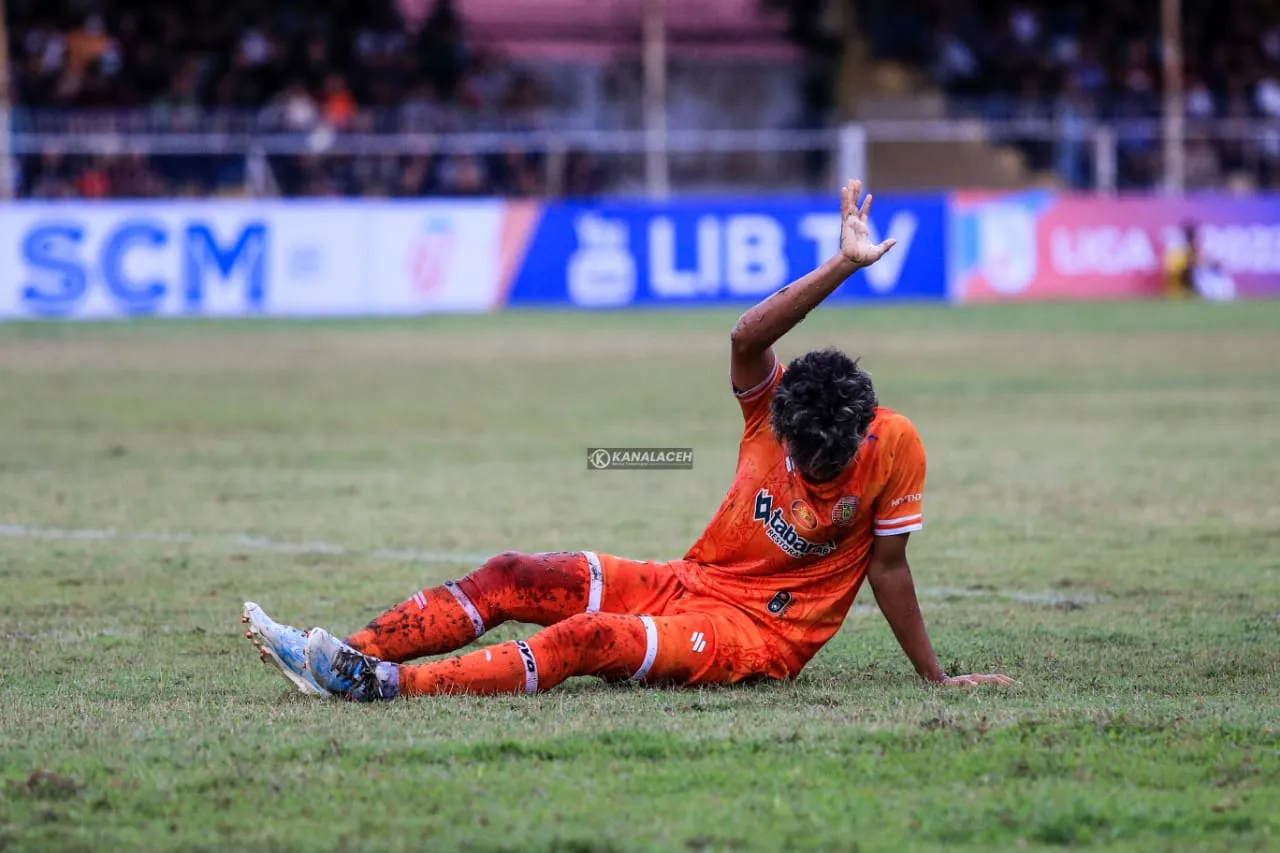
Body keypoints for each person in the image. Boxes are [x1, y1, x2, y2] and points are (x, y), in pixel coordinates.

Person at [242, 180, 1015, 701]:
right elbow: (747, 336)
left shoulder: (895, 445)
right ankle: (339, 655)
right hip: (694, 582)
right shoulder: (770, 410)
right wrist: (841, 269)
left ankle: (389, 687)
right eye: (800, 456)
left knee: (591, 636)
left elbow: (889, 567)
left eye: (825, 463)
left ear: (859, 435)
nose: (811, 471)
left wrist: (935, 680)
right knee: (515, 572)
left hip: (759, 635)